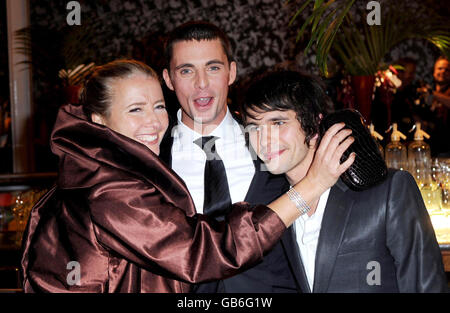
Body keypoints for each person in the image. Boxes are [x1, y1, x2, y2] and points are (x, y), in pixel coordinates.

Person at [20, 60, 354, 293]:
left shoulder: (101, 168)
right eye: (135, 110)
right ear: (99, 120)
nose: (153, 123)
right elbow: (202, 251)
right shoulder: (106, 188)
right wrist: (312, 185)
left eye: (158, 106)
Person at [240, 70, 448, 293]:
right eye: (254, 127)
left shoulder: (387, 191)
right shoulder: (273, 206)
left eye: (278, 122)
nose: (264, 140)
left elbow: (426, 286)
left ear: (313, 124)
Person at [160, 21, 299, 292]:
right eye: (186, 70)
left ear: (231, 72)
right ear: (168, 79)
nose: (201, 83)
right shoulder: (148, 159)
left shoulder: (276, 144)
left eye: (213, 68)